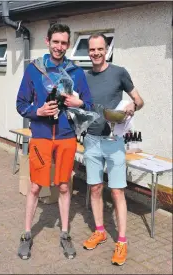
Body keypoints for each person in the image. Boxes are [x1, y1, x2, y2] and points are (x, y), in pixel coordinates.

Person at [16, 23, 93, 260]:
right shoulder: (34, 70)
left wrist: (78, 104)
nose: (59, 47)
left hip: (66, 138)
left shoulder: (77, 73)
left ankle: (65, 234)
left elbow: (88, 106)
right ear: (48, 41)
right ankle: (27, 234)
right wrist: (37, 111)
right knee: (35, 186)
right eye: (55, 41)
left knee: (63, 186)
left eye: (63, 43)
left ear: (68, 45)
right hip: (40, 137)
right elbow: (20, 104)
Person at [82, 33, 144, 266]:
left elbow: (139, 99)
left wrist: (132, 105)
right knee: (95, 188)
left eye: (100, 49)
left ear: (107, 49)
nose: (96, 53)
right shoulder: (84, 76)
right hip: (91, 140)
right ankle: (100, 230)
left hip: (113, 142)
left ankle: (122, 240)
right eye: (92, 50)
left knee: (117, 191)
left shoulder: (119, 72)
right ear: (88, 51)